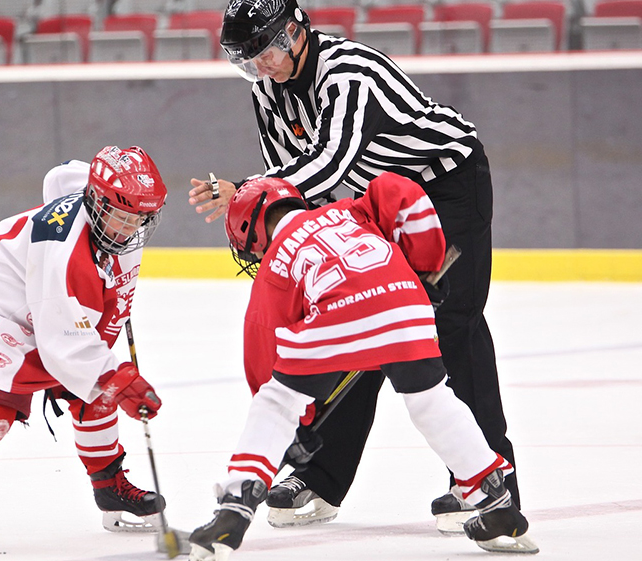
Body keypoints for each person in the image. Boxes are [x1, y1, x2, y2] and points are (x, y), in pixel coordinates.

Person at [188, 0, 520, 534]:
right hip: (380, 201)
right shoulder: (266, 90)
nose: (260, 66)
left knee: (451, 328)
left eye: (265, 51)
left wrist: (247, 191)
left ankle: (489, 481)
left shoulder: (348, 72)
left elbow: (328, 161)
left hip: (448, 190)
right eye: (246, 58)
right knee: (355, 319)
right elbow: (291, 179)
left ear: (296, 31)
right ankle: (321, 477)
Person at [187, 176, 537, 560]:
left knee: (275, 401)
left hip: (338, 314)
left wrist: (299, 424)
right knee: (431, 400)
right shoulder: (346, 211)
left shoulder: (276, 261)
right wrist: (426, 263)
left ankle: (234, 508)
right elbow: (398, 191)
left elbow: (261, 349)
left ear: (250, 231)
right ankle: (498, 504)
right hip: (406, 302)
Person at [0, 146, 169, 553]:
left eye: (140, 218)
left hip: (47, 301)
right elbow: (63, 341)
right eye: (122, 216)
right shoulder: (61, 247)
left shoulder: (108, 209)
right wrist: (119, 378)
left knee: (93, 390)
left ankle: (109, 485)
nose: (130, 228)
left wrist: (107, 372)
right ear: (96, 201)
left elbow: (62, 176)